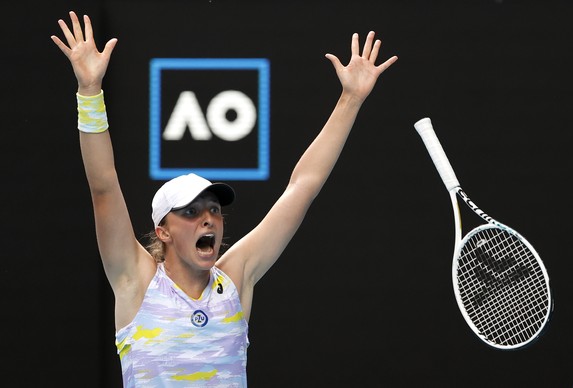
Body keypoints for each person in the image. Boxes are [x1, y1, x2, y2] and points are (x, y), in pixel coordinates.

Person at [51, 10, 398, 387]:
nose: (208, 219)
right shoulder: (135, 281)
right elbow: (103, 185)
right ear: (162, 231)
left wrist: (350, 100)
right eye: (190, 211)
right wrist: (89, 91)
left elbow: (303, 186)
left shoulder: (235, 280)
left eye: (214, 210)